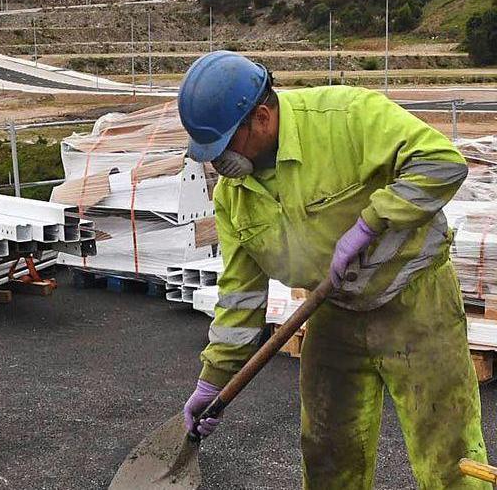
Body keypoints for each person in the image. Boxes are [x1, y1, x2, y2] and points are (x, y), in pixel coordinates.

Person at [177, 50, 487, 488]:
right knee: (327, 454)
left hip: (415, 303)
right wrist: (212, 382)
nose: (217, 162)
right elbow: (240, 297)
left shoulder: (346, 118)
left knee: (448, 453)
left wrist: (371, 222)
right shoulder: (234, 195)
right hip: (330, 313)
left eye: (224, 145)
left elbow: (442, 163)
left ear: (262, 117)